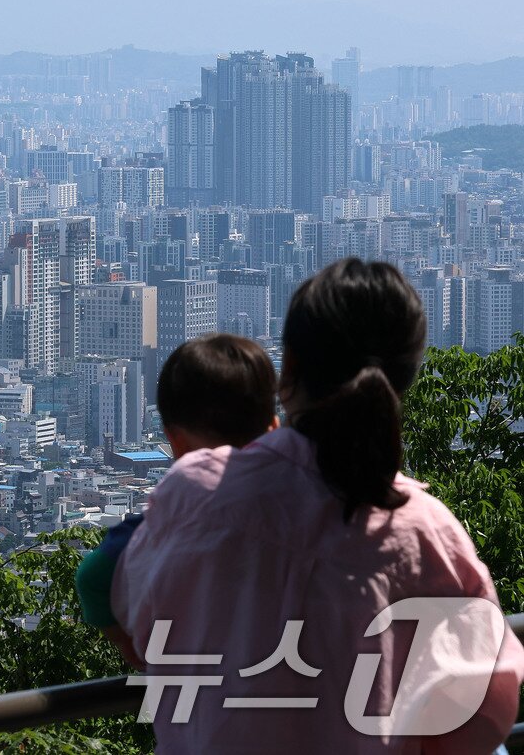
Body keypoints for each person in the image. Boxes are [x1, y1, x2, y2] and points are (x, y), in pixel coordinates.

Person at [112, 258, 524, 753]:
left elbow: (137, 622)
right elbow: (482, 711)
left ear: (286, 373)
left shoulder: (196, 494)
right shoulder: (427, 534)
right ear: (404, 381)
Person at [76, 333, 278, 668]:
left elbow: (92, 578)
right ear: (273, 427)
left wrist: (136, 652)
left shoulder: (160, 527)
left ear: (174, 441)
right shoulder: (308, 503)